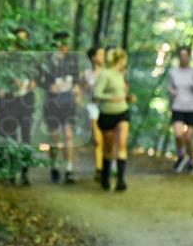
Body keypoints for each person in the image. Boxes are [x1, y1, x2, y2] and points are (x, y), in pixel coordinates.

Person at [37, 31, 82, 184]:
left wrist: (76, 91)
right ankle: (54, 166)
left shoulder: (72, 59)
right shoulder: (47, 60)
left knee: (68, 135)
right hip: (52, 103)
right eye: (61, 43)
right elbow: (39, 79)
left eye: (66, 43)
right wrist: (49, 86)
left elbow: (77, 79)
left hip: (68, 102)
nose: (64, 46)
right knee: (54, 136)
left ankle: (69, 169)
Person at [0, 26, 36, 185]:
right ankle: (11, 171)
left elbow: (37, 78)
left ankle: (25, 173)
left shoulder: (31, 59)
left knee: (26, 138)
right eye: (19, 38)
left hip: (25, 104)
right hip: (9, 103)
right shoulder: (4, 58)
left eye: (24, 39)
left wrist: (31, 82)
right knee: (10, 136)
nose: (21, 42)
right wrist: (9, 83)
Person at [94, 48, 134, 192]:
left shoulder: (122, 75)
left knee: (122, 144)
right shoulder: (105, 74)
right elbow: (97, 94)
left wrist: (129, 97)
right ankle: (105, 178)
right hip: (107, 114)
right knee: (108, 148)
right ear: (121, 60)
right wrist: (111, 98)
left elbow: (122, 93)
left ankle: (121, 180)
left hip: (122, 112)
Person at [168, 46, 193, 174]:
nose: (183, 58)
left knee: (189, 138)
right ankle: (180, 156)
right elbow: (170, 88)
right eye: (181, 56)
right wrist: (172, 92)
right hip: (178, 107)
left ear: (189, 57)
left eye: (185, 56)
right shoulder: (173, 72)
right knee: (178, 134)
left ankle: (191, 161)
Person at [84, 46, 106, 182]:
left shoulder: (109, 72)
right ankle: (99, 168)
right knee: (98, 140)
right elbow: (84, 91)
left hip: (108, 108)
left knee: (108, 139)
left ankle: (107, 166)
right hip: (93, 108)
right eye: (100, 54)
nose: (103, 57)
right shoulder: (87, 73)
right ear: (93, 58)